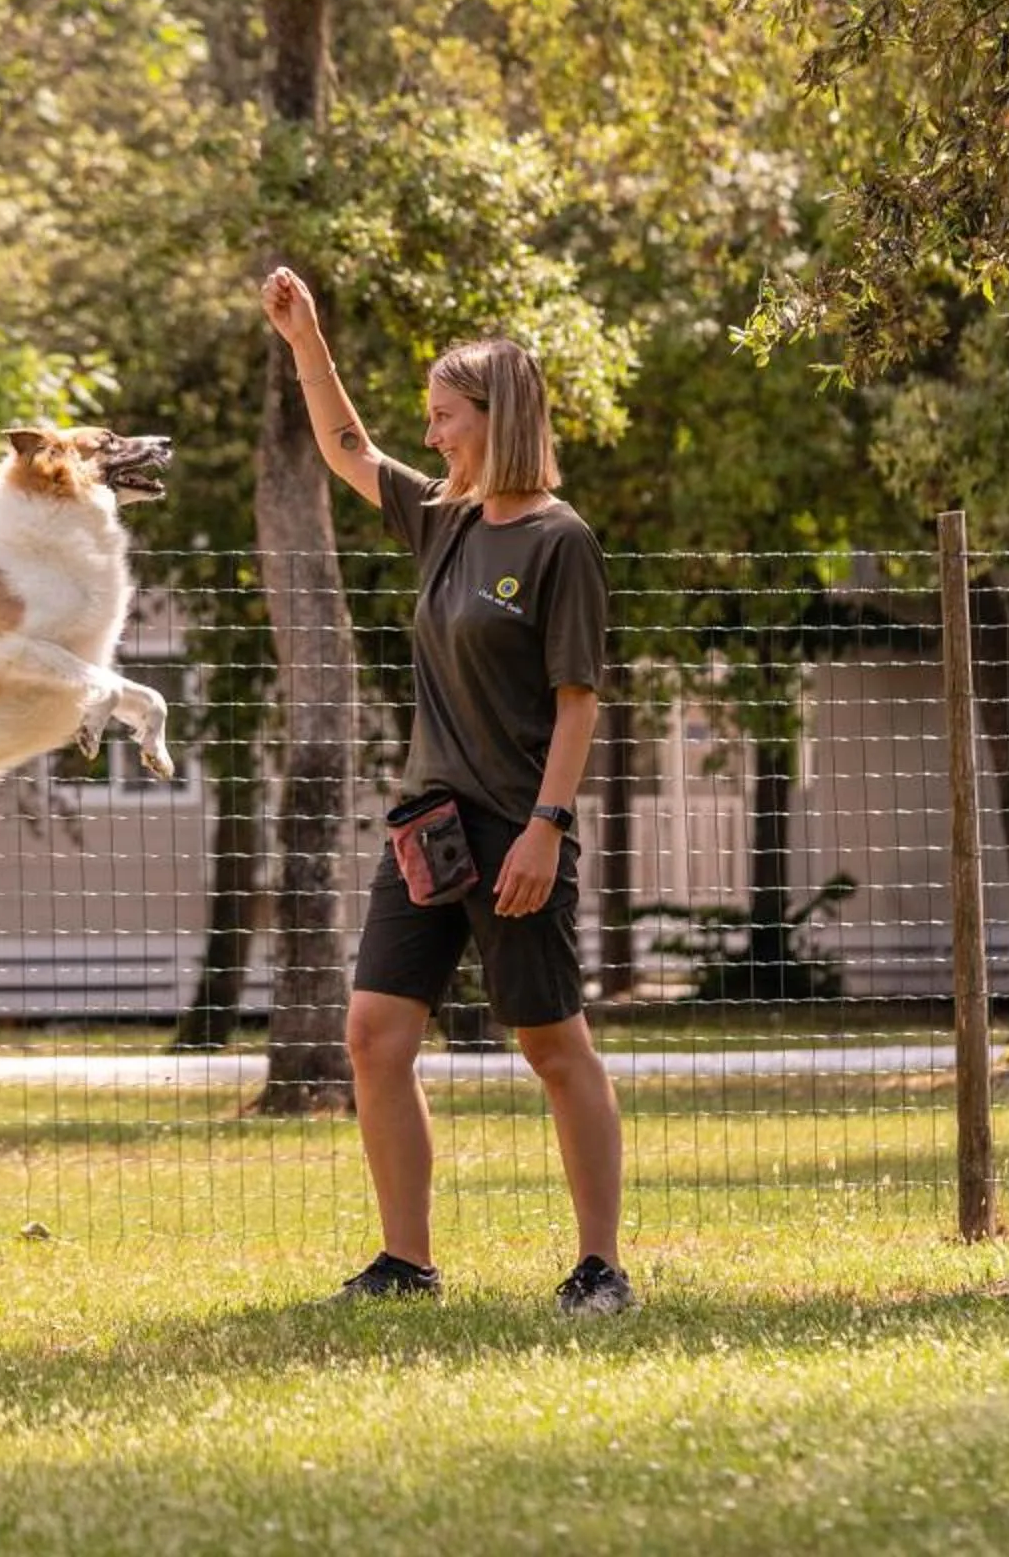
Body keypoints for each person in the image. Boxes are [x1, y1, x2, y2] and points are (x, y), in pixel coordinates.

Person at [258, 265, 635, 1317]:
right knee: (373, 1032)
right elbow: (346, 449)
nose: (430, 436)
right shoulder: (447, 521)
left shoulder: (558, 541)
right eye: (425, 418)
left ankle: (602, 1265)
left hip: (519, 830)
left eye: (445, 417)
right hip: (430, 825)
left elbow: (576, 700)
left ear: (496, 418)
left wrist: (547, 829)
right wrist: (306, 340)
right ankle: (406, 1261)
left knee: (553, 1046)